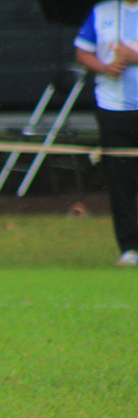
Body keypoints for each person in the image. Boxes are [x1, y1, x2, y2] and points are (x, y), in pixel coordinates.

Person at [75, 0, 138, 266]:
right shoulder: (101, 12)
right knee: (120, 178)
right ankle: (129, 248)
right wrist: (104, 67)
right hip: (112, 107)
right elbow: (82, 51)